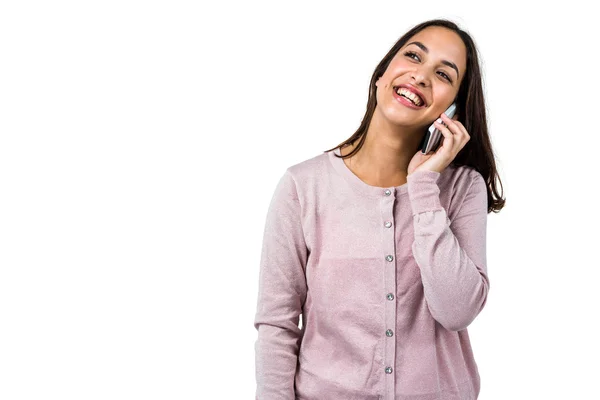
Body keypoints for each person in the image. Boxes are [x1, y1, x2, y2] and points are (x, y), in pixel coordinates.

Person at [253, 18, 505, 400]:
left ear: (452, 109)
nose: (420, 76)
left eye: (442, 74)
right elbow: (277, 325)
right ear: (382, 74)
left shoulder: (462, 188)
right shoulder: (303, 187)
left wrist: (423, 187)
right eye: (413, 57)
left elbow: (457, 310)